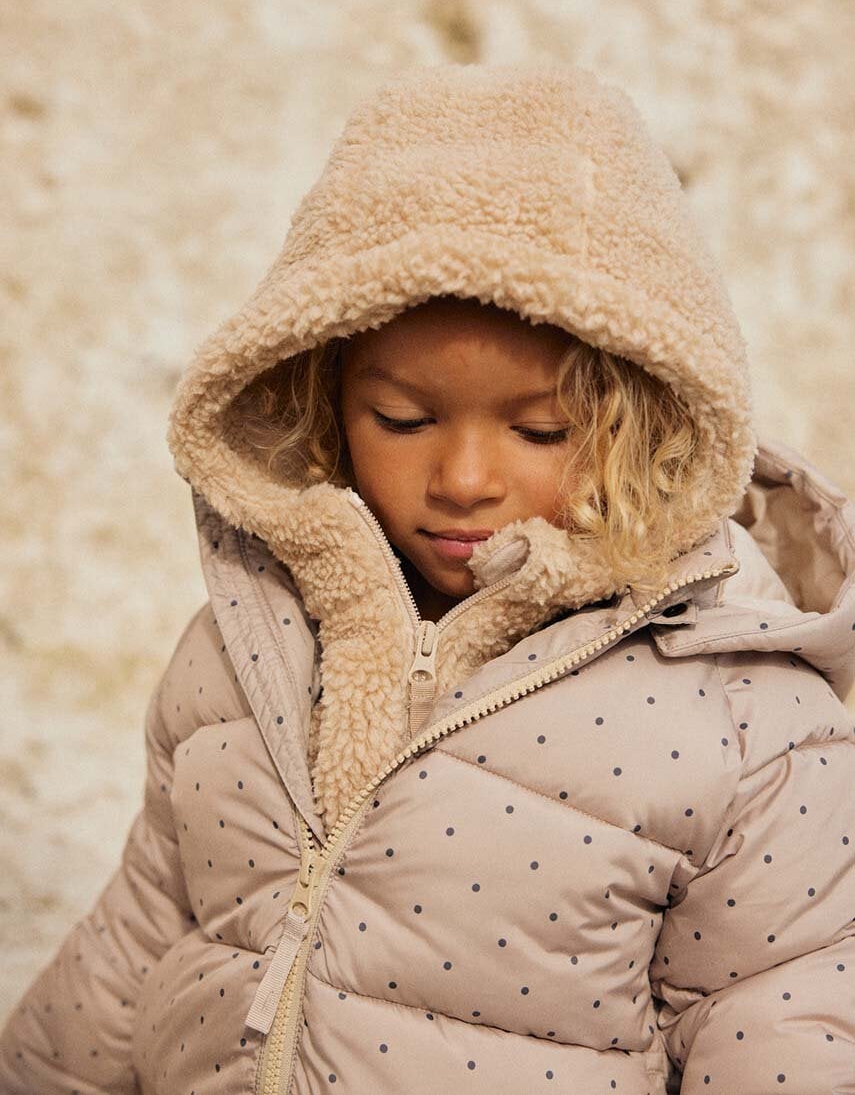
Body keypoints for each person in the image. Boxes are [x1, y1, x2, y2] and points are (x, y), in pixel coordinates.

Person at [2, 62, 854, 1094]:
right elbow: (141, 939)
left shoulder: (744, 721)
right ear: (317, 393)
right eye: (400, 420)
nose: (461, 480)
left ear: (648, 418)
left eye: (541, 429)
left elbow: (784, 1021)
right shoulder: (246, 651)